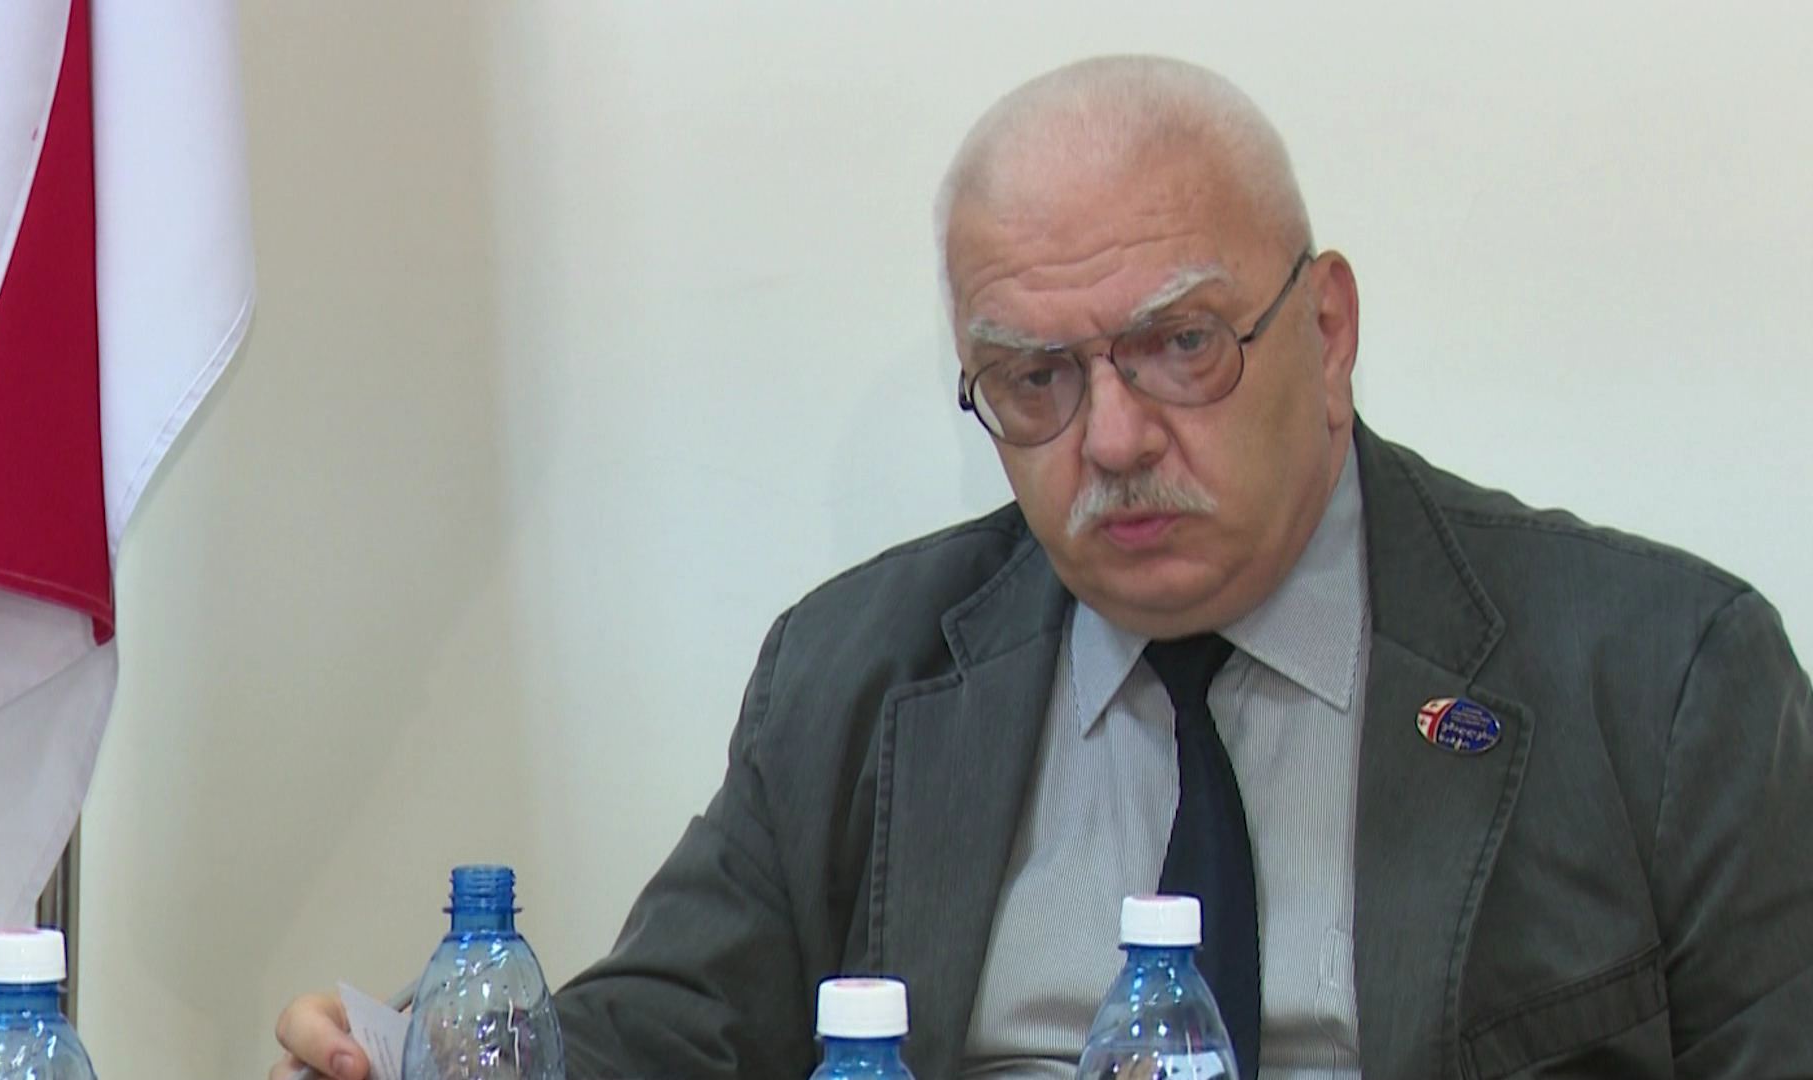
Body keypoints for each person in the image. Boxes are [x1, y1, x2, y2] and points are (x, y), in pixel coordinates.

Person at [271, 56, 1813, 1079]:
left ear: (1327, 331)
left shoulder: (1660, 679)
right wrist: (430, 1055)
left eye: (1181, 345)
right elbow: (676, 1031)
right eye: (1034, 379)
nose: (1115, 438)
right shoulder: (859, 670)